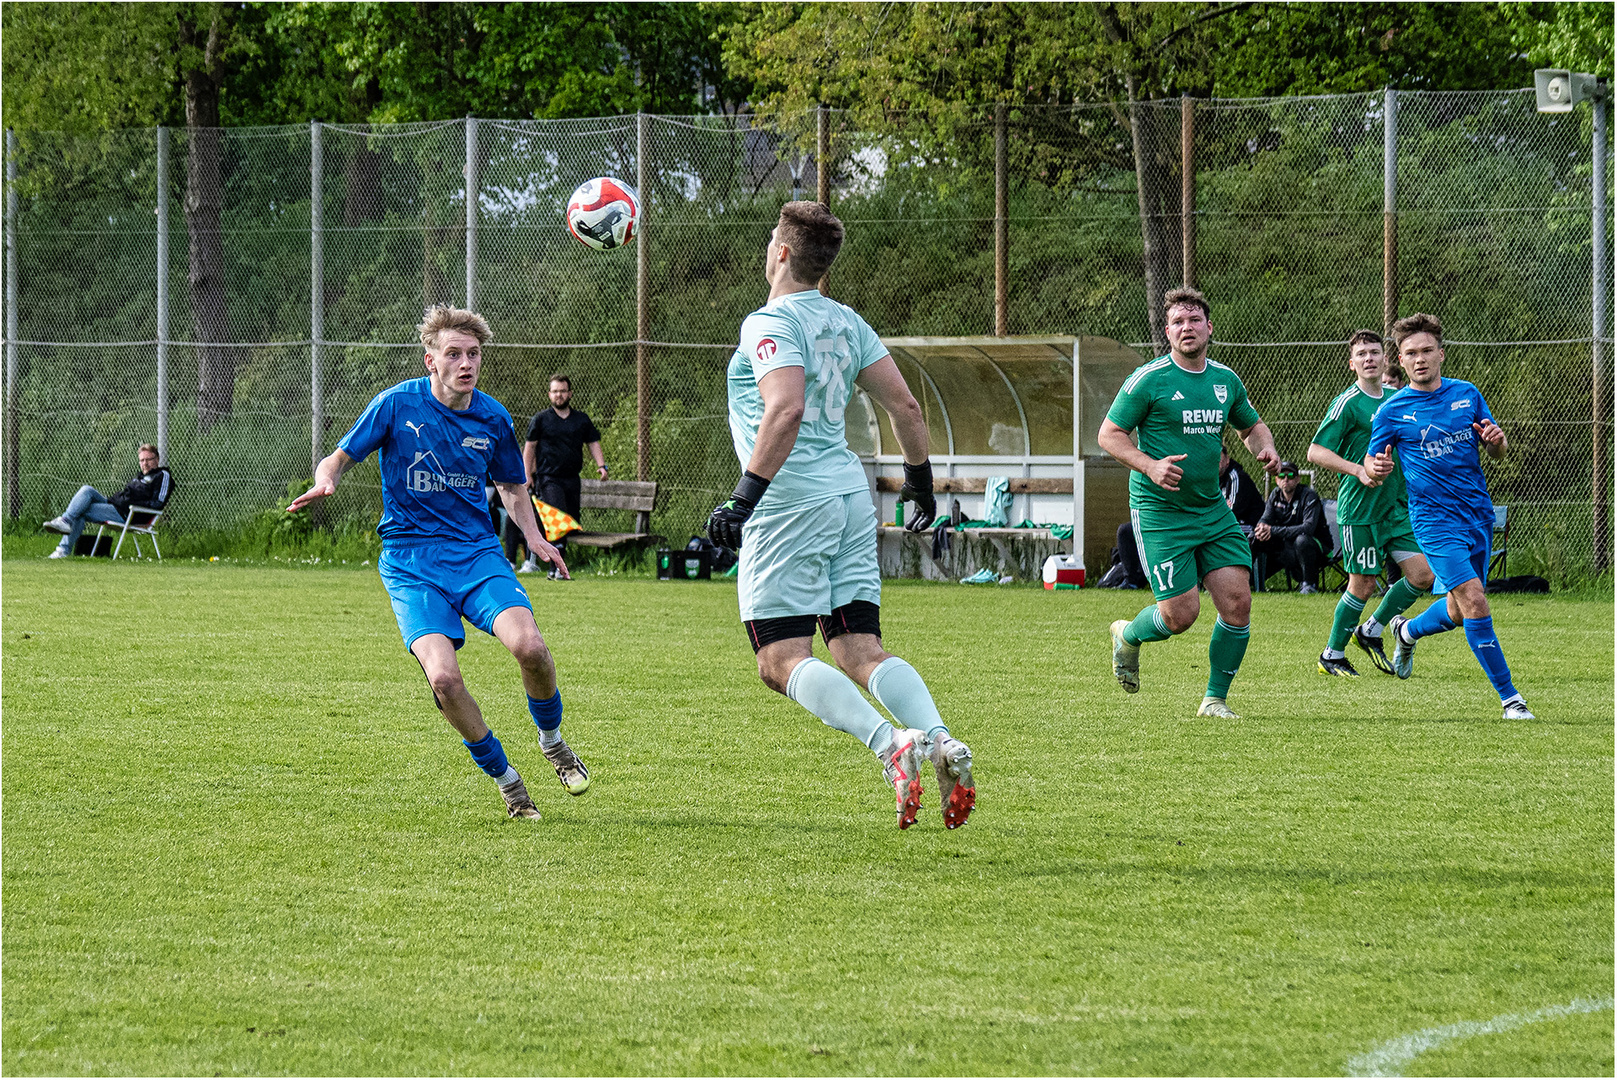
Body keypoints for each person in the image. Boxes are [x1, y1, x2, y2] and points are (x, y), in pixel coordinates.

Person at [706, 200, 975, 831]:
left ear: (780, 252)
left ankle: (895, 746)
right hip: (851, 499)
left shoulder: (767, 322)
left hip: (791, 503)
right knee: (859, 647)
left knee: (779, 658)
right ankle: (939, 739)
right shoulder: (848, 322)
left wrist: (744, 499)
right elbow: (907, 407)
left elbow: (786, 408)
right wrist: (919, 484)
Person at [287, 305, 590, 820]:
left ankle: (553, 742)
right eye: (453, 354)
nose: (465, 363)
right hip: (410, 563)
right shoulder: (395, 404)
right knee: (444, 681)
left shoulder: (493, 417)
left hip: (475, 554)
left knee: (531, 647)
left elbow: (513, 488)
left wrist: (536, 538)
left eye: (473, 354)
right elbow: (338, 457)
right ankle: (509, 783)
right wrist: (328, 479)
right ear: (431, 360)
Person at [1099, 286, 1281, 719]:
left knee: (1237, 603)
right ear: (1167, 331)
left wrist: (1265, 447)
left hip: (1211, 509)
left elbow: (1250, 425)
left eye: (1194, 320)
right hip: (1161, 512)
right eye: (1178, 322)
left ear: (1208, 328)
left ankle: (1214, 700)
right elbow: (1109, 435)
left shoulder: (1224, 380)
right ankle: (1128, 635)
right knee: (1181, 615)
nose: (1187, 328)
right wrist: (1149, 465)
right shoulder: (1148, 380)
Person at [1365, 312, 1532, 719]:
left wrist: (1498, 441)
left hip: (1477, 515)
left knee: (1459, 610)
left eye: (1426, 350)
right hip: (1433, 522)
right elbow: (1371, 465)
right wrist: (1376, 470)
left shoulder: (1467, 394)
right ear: (1400, 362)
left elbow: (1495, 450)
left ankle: (1407, 630)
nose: (1419, 359)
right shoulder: (1392, 411)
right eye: (1410, 353)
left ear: (1441, 354)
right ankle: (1511, 699)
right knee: (1475, 601)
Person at [1306, 329, 1434, 677]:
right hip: (1360, 509)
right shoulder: (1348, 403)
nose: (1369, 359)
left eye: (1374, 352)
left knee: (1423, 575)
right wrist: (1358, 469)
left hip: (1395, 506)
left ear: (1385, 359)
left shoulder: (1398, 398)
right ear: (1352, 364)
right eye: (1361, 354)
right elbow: (1315, 451)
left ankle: (1372, 630)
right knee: (1361, 584)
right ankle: (1331, 654)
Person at [520, 374, 607, 576]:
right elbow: (529, 447)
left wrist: (602, 466)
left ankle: (552, 564)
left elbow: (593, 442)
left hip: (572, 480)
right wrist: (527, 475)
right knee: (556, 519)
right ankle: (555, 568)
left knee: (568, 522)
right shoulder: (541, 419)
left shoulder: (581, 420)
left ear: (570, 393)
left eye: (562, 391)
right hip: (549, 478)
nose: (559, 395)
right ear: (549, 394)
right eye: (555, 391)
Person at [43, 443, 174, 558]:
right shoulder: (139, 477)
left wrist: (132, 505)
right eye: (142, 460)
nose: (145, 464)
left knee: (81, 510)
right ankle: (65, 522)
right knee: (87, 490)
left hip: (128, 513)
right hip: (115, 505)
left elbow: (158, 503)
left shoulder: (162, 475)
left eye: (148, 460)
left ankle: (63, 547)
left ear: (156, 459)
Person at [1250, 462, 1331, 593]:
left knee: (1301, 540)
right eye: (1281, 475)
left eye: (1290, 475)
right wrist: (1261, 528)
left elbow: (1308, 528)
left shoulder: (1309, 496)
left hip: (1316, 546)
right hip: (1287, 545)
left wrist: (1273, 530)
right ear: (1276, 480)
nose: (1286, 479)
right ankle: (1246, 581)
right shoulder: (1275, 495)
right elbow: (1265, 519)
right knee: (1256, 537)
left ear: (1298, 479)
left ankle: (1309, 585)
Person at [1219, 444, 1266, 528]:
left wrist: (1217, 508)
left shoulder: (1236, 476)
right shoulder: (1210, 479)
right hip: (1229, 523)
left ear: (1227, 459)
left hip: (1250, 526)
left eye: (1219, 457)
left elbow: (1232, 513)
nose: (1215, 460)